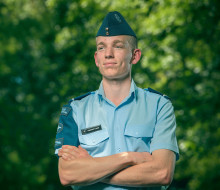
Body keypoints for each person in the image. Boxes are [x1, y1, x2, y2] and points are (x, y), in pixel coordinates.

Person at [54, 11, 179, 190]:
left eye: (118, 46)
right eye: (102, 47)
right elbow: (67, 175)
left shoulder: (159, 106)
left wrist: (91, 169)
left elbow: (162, 173)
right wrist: (129, 157)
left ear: (135, 56)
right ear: (96, 58)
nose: (108, 54)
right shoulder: (74, 110)